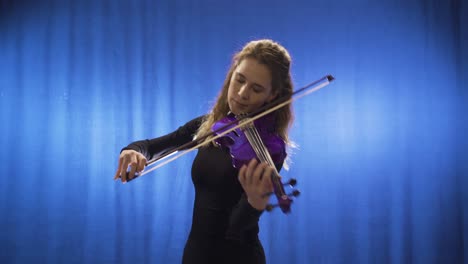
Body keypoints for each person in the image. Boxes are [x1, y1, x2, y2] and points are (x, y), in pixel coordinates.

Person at [113, 39, 294, 264]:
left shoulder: (268, 149)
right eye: (239, 80)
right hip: (195, 254)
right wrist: (132, 151)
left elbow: (236, 230)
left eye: (256, 89)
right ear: (232, 75)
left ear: (273, 95)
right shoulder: (209, 126)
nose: (242, 93)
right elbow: (152, 146)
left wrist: (253, 204)